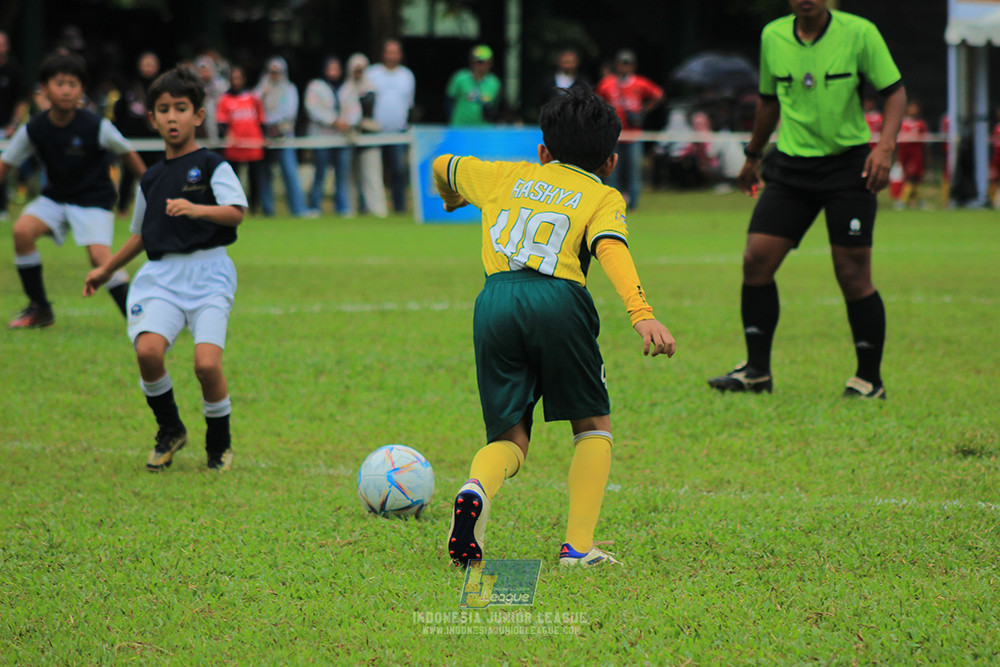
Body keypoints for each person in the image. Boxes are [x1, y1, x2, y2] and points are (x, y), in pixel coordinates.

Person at [433, 86, 676, 568]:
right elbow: (611, 250)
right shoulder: (603, 195)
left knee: (509, 439)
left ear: (542, 152)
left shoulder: (506, 176)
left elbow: (442, 163)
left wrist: (453, 196)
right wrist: (641, 313)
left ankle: (476, 488)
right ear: (610, 161)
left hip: (495, 300)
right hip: (559, 300)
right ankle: (578, 548)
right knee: (592, 425)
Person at [707, 0, 906, 400]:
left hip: (849, 167)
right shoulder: (773, 35)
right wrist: (752, 155)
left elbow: (896, 92)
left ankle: (869, 379)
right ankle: (757, 372)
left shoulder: (860, 32)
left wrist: (884, 148)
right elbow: (768, 101)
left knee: (852, 273)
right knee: (756, 259)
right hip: (792, 168)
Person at [84, 66, 247, 472]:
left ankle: (219, 444)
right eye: (163, 110)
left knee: (206, 365)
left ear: (198, 115)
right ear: (152, 118)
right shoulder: (152, 179)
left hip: (209, 275)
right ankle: (170, 428)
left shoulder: (212, 165)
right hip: (162, 278)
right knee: (148, 352)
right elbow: (140, 234)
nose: (172, 117)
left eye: (181, 108)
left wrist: (196, 209)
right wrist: (106, 270)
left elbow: (236, 213)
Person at [1, 52, 145, 329]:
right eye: (59, 83)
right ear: (44, 88)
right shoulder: (35, 128)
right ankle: (40, 309)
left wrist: (154, 185)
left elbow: (128, 153)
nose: (66, 90)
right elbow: (6, 163)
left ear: (81, 90)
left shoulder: (96, 126)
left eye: (73, 84)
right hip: (55, 199)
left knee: (100, 258)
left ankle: (140, 320)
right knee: (22, 231)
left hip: (93, 201)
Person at [595, 49, 664, 210]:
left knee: (634, 172)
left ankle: (633, 204)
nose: (625, 68)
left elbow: (659, 94)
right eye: (622, 64)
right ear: (617, 65)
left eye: (628, 64)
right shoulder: (608, 83)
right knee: (612, 172)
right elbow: (596, 100)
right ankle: (612, 204)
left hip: (634, 135)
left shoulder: (640, 83)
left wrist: (644, 110)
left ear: (633, 66)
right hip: (613, 135)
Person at [257, 56, 313, 218]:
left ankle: (298, 208)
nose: (274, 75)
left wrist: (277, 127)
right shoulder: (261, 89)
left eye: (277, 72)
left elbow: (290, 113)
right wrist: (263, 94)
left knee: (289, 172)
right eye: (272, 72)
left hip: (284, 136)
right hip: (264, 136)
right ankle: (268, 209)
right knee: (264, 173)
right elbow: (255, 108)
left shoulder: (290, 89)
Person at [368, 39, 415, 214]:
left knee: (399, 171)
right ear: (383, 54)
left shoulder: (407, 76)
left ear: (400, 55)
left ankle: (399, 207)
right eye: (389, 52)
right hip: (375, 132)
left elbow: (409, 105)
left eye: (395, 52)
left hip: (398, 132)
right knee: (373, 172)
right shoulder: (373, 73)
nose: (392, 56)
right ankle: (371, 207)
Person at [304, 55, 355, 216]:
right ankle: (315, 206)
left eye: (336, 69)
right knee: (320, 173)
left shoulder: (348, 87)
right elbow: (313, 108)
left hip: (343, 137)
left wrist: (347, 123)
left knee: (342, 174)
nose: (333, 72)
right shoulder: (315, 86)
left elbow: (355, 110)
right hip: (322, 137)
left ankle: (342, 206)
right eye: (330, 68)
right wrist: (333, 121)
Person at [113, 51, 162, 216]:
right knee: (128, 174)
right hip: (132, 140)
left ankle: (155, 206)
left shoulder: (162, 90)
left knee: (156, 173)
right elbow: (119, 113)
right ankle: (122, 208)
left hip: (156, 140)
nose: (148, 68)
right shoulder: (130, 88)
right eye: (145, 64)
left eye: (151, 64)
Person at [216, 65, 267, 214]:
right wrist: (228, 135)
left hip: (253, 145)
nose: (236, 81)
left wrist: (263, 138)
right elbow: (221, 123)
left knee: (255, 179)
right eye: (234, 78)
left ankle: (255, 208)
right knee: (233, 179)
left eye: (239, 78)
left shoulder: (253, 97)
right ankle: (235, 207)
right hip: (234, 146)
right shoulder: (224, 99)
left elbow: (262, 119)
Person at [344, 53, 387, 218]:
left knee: (372, 175)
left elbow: (368, 111)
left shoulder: (371, 88)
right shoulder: (345, 89)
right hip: (349, 137)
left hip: (369, 135)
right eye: (355, 70)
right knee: (350, 176)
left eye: (361, 70)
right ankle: (350, 209)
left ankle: (377, 210)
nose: (358, 73)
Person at [0, 31, 31, 221]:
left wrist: (13, 124)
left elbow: (21, 100)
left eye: (3, 43)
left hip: (5, 129)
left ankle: (2, 208)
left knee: (4, 166)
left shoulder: (13, 69)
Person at [445, 45, 502, 126]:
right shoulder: (460, 78)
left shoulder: (495, 83)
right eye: (478, 62)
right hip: (460, 128)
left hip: (485, 130)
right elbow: (449, 101)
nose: (481, 66)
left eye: (485, 62)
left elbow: (495, 106)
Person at [895, 99, 928, 209]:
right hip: (905, 152)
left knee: (915, 177)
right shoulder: (902, 123)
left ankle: (907, 200)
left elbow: (926, 141)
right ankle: (907, 200)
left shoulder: (920, 123)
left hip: (916, 153)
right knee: (908, 176)